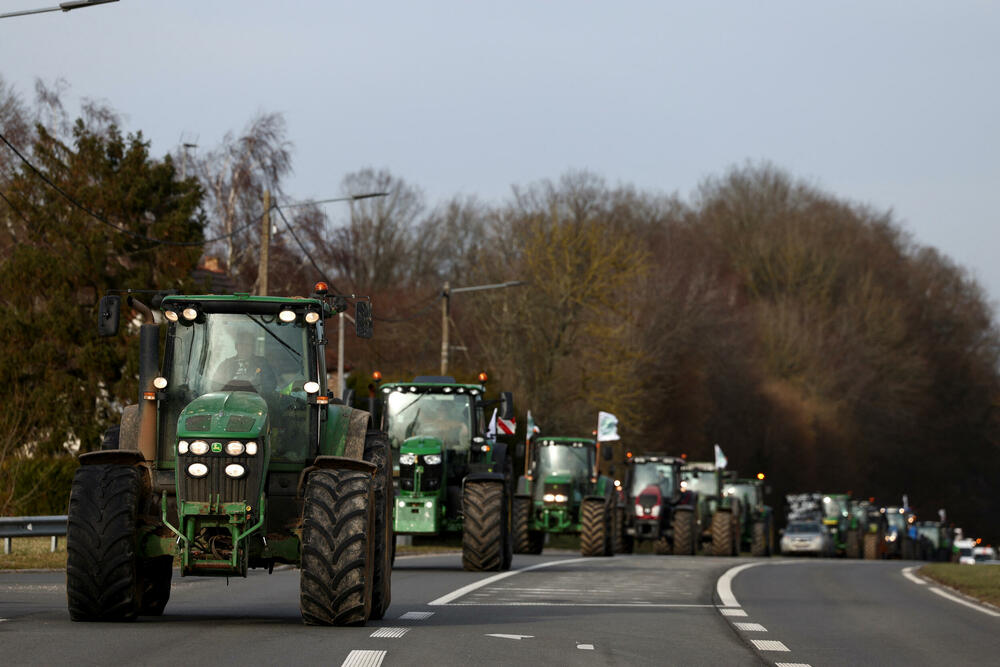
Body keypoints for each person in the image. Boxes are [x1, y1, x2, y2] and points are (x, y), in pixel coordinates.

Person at [212, 331, 277, 394]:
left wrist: (256, 388)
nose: (244, 348)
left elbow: (271, 385)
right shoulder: (226, 365)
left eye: (248, 345)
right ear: (236, 346)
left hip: (254, 399)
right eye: (241, 344)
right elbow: (215, 386)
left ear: (253, 347)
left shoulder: (262, 363)